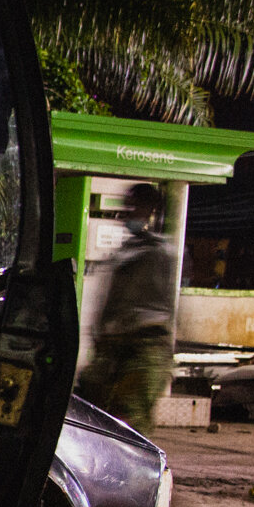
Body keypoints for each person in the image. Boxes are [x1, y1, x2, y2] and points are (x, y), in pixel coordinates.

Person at [79, 183, 178, 434]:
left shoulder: (157, 251)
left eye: (134, 206)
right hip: (118, 348)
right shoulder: (130, 249)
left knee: (130, 420)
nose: (127, 212)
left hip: (143, 348)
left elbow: (143, 308)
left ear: (150, 210)